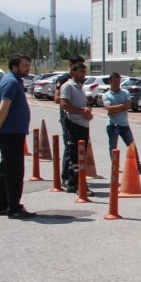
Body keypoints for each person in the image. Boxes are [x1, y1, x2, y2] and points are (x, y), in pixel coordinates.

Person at [0, 54, 36, 219]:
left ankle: (1, 205)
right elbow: (3, 108)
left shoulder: (15, 81)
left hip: (13, 133)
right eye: (24, 65)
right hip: (10, 134)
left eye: (28, 65)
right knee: (14, 173)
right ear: (14, 66)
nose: (27, 68)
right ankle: (13, 208)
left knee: (6, 170)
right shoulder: (11, 82)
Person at [59, 62, 93, 193]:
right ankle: (80, 185)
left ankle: (73, 183)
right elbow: (64, 105)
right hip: (74, 124)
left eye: (84, 72)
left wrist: (87, 110)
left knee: (79, 155)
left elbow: (83, 104)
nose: (83, 75)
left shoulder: (80, 87)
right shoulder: (68, 86)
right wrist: (82, 111)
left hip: (83, 124)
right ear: (73, 72)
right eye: (81, 72)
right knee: (76, 156)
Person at [102, 72, 141, 172]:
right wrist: (122, 106)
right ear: (110, 82)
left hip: (124, 125)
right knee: (113, 146)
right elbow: (109, 108)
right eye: (115, 82)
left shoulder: (125, 92)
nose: (117, 84)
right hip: (113, 125)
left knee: (131, 145)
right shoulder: (106, 95)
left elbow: (129, 105)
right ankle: (115, 166)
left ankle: (137, 164)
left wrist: (115, 109)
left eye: (119, 81)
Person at [54, 55, 85, 189]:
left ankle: (76, 177)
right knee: (70, 147)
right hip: (69, 117)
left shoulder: (79, 81)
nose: (81, 70)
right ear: (71, 66)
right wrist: (75, 107)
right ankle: (66, 177)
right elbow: (57, 99)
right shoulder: (64, 80)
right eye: (78, 65)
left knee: (79, 149)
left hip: (80, 118)